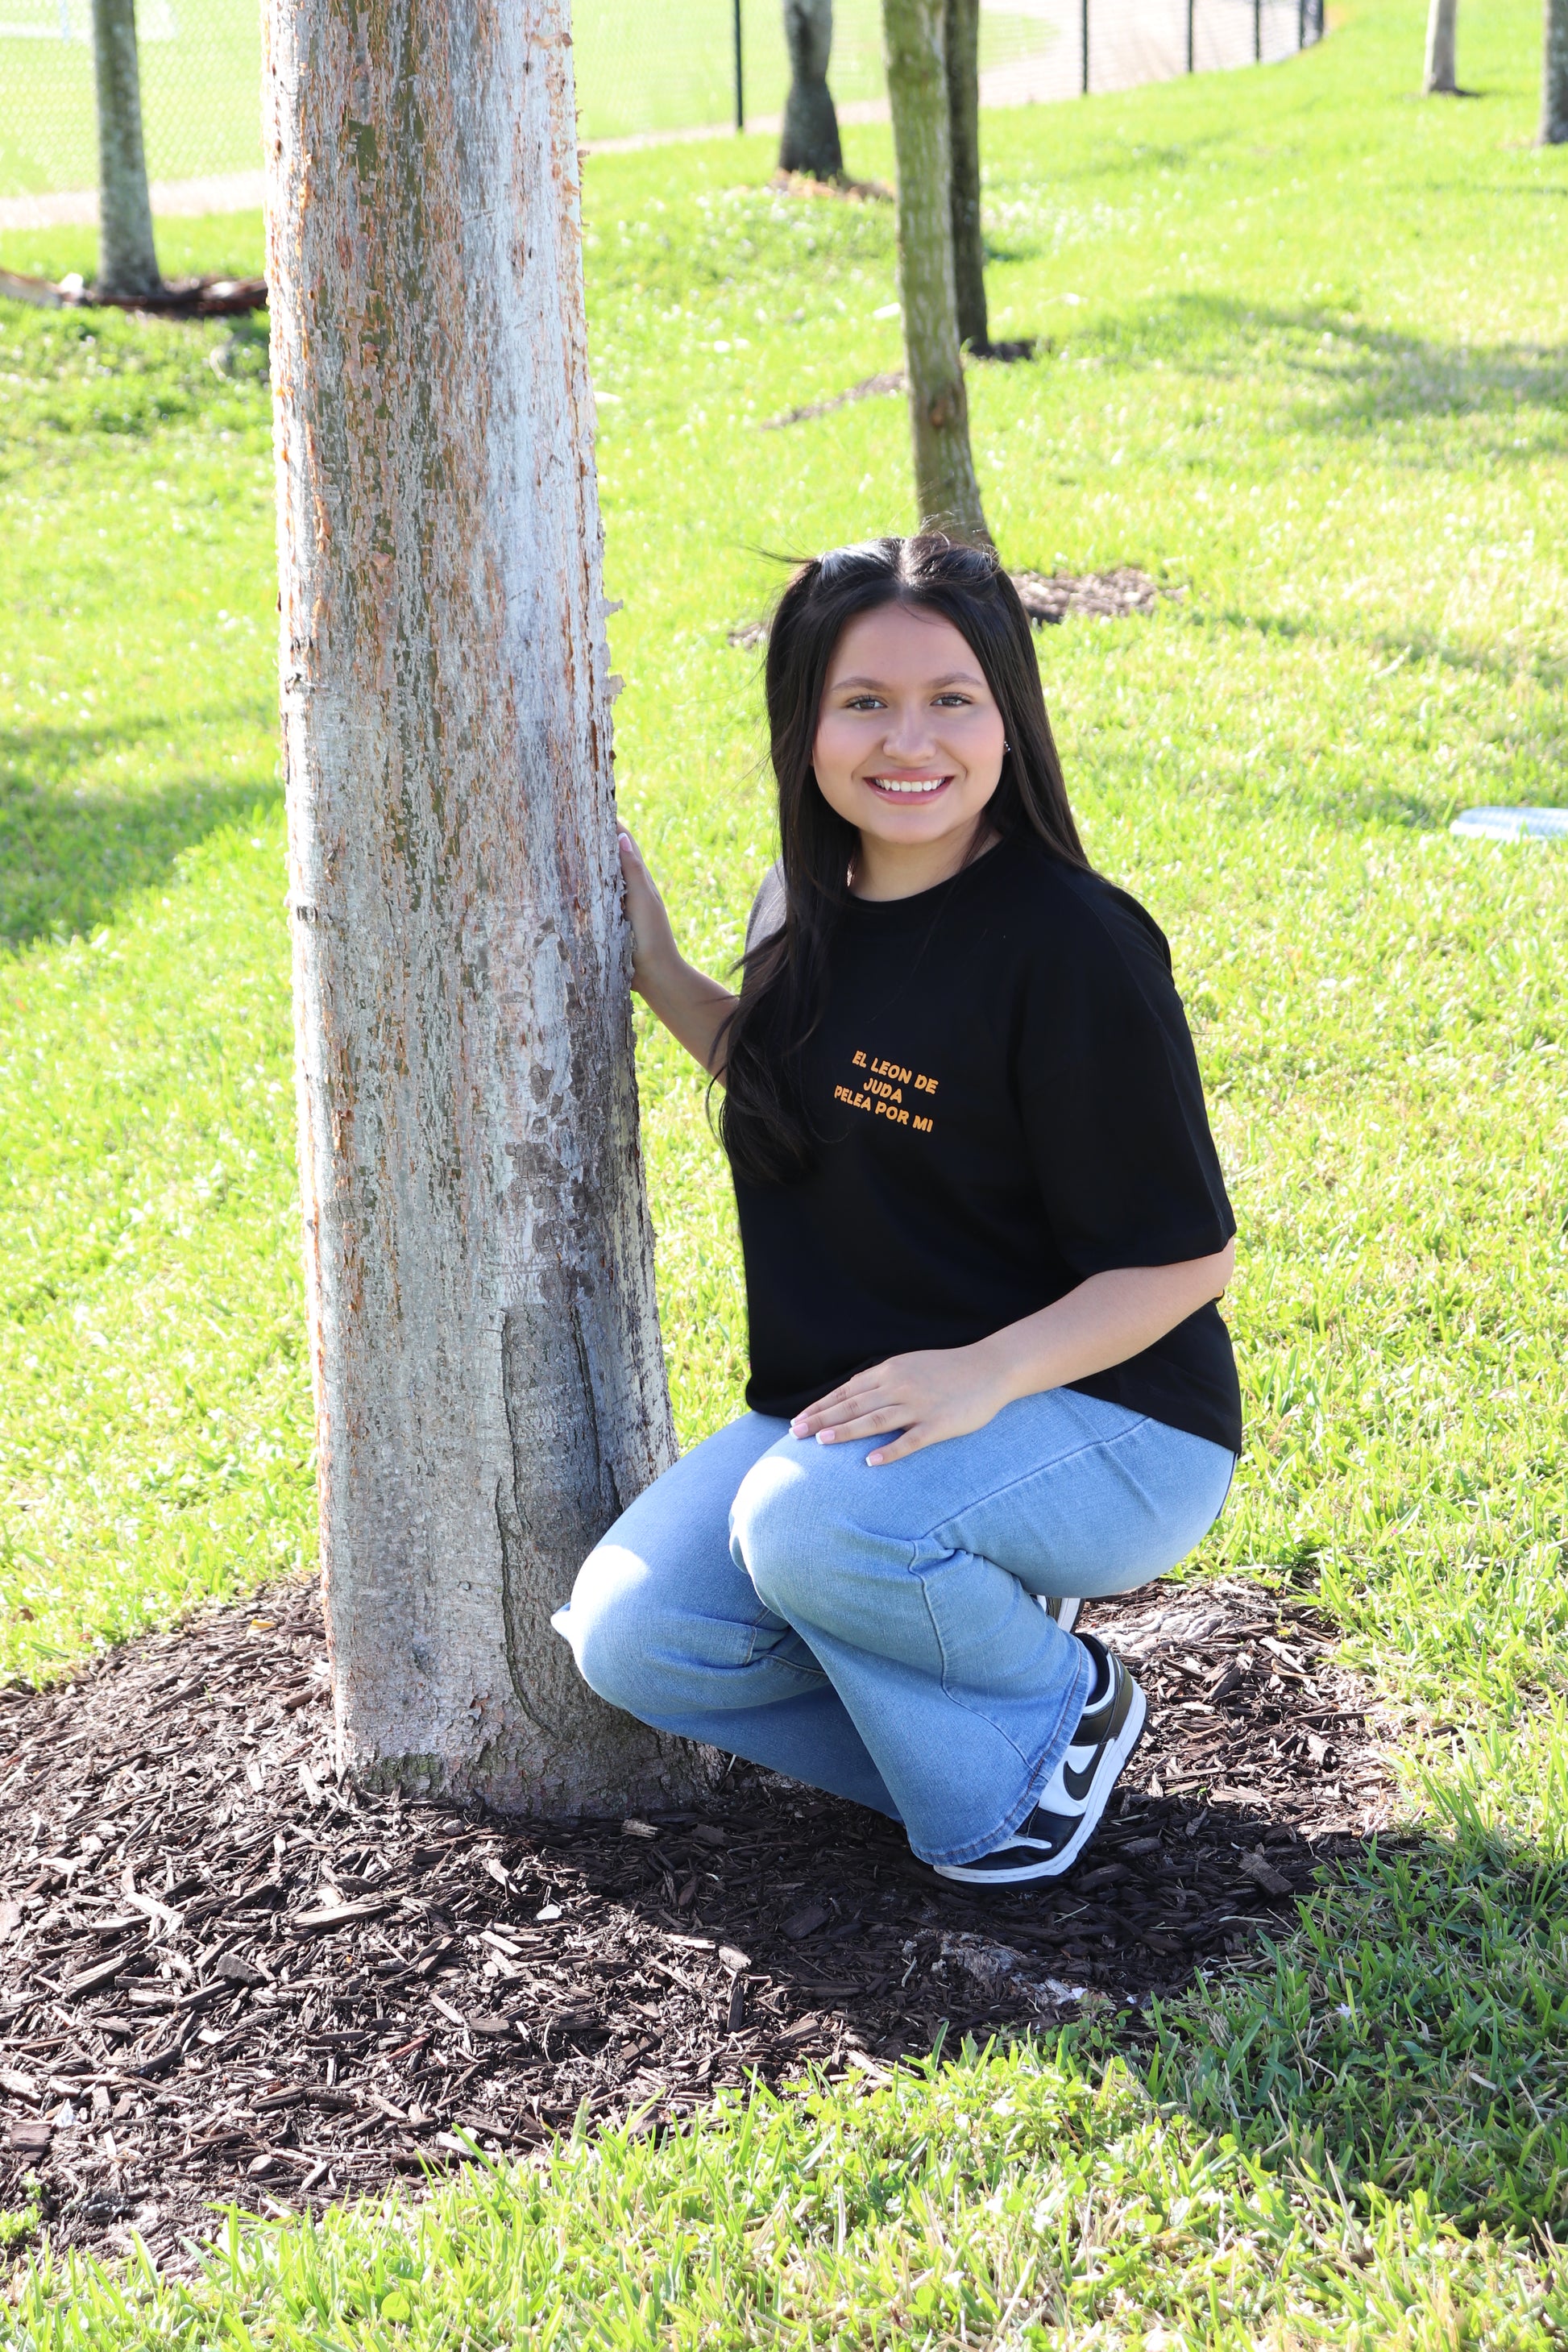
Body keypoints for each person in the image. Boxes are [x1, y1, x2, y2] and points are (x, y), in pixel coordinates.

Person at [552, 535, 1241, 1886]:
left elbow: (1185, 1262)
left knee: (810, 1528)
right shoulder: (798, 905)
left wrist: (982, 1375)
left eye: (951, 700)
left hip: (1105, 1414)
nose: (907, 741)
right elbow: (810, 1088)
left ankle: (1049, 1715)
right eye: (863, 701)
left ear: (1008, 719)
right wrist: (660, 972)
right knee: (634, 1638)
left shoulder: (1071, 944)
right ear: (802, 722)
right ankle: (985, 1730)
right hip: (857, 1408)